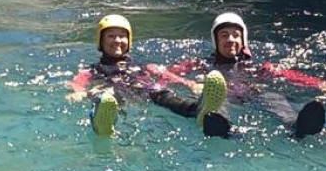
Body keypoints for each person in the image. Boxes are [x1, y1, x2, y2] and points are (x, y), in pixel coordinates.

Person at [152, 11, 326, 138]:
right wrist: (188, 83)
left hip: (251, 94)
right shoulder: (201, 64)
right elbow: (163, 72)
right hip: (224, 96)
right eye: (224, 35)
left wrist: (322, 84)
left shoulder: (254, 66)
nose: (231, 39)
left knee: (273, 97)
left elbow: (288, 75)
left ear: (243, 40)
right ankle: (220, 126)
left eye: (236, 35)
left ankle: (296, 125)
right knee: (218, 99)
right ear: (216, 41)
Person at [69, 14, 231, 138]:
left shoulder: (141, 65)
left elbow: (165, 74)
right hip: (113, 91)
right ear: (101, 41)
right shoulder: (94, 69)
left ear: (129, 41)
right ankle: (102, 122)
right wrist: (78, 91)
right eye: (111, 36)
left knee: (163, 93)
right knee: (104, 96)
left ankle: (197, 110)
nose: (117, 40)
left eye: (122, 36)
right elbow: (79, 80)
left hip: (143, 90)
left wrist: (189, 84)